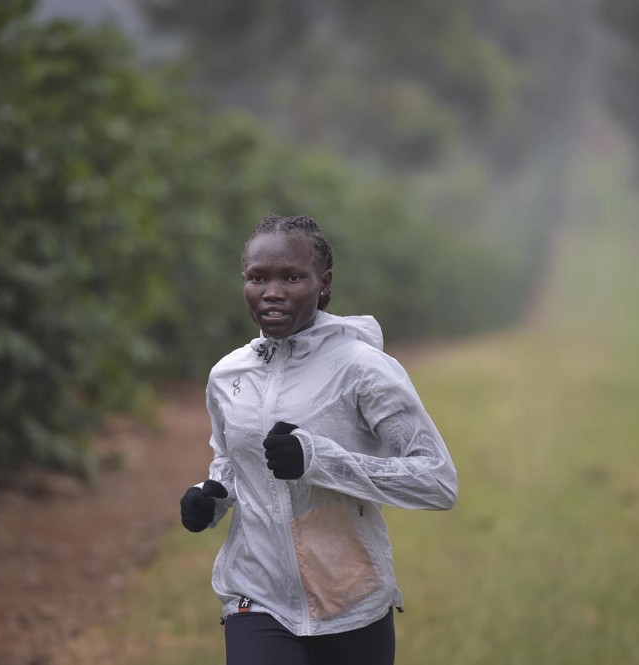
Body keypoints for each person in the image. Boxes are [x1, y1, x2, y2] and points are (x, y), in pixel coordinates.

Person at [179, 213, 458, 665]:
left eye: (291, 277)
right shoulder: (228, 374)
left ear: (323, 285)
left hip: (352, 602)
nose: (272, 291)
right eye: (257, 278)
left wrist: (318, 459)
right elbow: (230, 458)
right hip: (256, 596)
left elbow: (437, 481)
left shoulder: (363, 369)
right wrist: (211, 496)